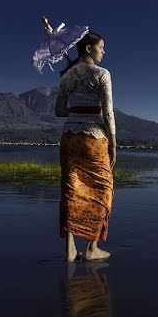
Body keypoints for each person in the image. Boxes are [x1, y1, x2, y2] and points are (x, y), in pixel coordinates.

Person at [55, 30, 116, 262]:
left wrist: (77, 108)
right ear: (89, 49)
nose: (103, 51)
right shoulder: (102, 74)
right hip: (94, 138)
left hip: (70, 136)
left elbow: (58, 110)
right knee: (103, 189)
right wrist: (114, 142)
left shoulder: (67, 76)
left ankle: (70, 248)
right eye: (101, 47)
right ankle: (92, 248)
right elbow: (108, 112)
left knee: (71, 188)